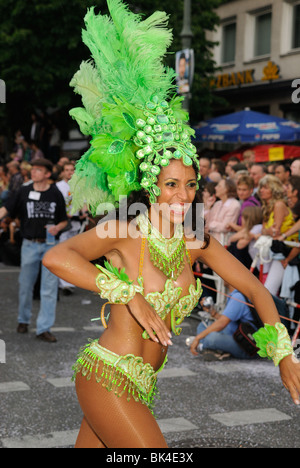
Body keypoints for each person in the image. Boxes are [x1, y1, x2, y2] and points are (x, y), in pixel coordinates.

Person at [42, 1, 300, 449]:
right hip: (108, 373)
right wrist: (126, 293)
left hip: (143, 385)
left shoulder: (196, 239)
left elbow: (257, 290)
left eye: (190, 185)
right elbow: (56, 255)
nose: (182, 197)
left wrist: (283, 353)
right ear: (150, 183)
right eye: (170, 185)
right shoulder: (126, 226)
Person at [0, 158, 68, 342]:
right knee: (25, 286)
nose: (33, 172)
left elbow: (64, 220)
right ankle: (23, 320)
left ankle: (44, 328)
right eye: (33, 169)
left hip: (50, 245)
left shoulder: (55, 194)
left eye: (38, 170)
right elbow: (6, 209)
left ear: (47, 174)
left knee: (49, 288)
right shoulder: (24, 191)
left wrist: (57, 228)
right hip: (29, 244)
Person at [189, 283, 259, 360]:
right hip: (236, 335)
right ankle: (214, 349)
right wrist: (213, 313)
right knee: (202, 326)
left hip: (247, 346)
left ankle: (203, 347)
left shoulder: (238, 297)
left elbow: (222, 323)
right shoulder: (237, 294)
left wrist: (197, 338)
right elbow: (227, 320)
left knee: (211, 338)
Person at [259, 174, 298, 296]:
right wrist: (268, 231)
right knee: (266, 288)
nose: (261, 190)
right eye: (261, 187)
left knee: (269, 289)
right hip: (275, 250)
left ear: (274, 189)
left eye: (265, 187)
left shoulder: (279, 205)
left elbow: (276, 232)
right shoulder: (267, 207)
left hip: (285, 251)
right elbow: (264, 230)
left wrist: (268, 231)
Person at [56, 161, 84, 294]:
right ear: (62, 172)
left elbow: (83, 202)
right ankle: (63, 283)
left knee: (72, 254)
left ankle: (69, 280)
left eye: (72, 170)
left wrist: (84, 212)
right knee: (62, 251)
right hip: (62, 225)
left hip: (76, 223)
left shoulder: (78, 185)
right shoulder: (58, 187)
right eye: (66, 170)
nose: (69, 172)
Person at [205, 178, 240, 243]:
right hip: (212, 240)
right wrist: (207, 207)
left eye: (219, 186)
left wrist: (211, 224)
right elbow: (207, 223)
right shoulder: (217, 204)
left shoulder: (234, 205)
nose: (215, 188)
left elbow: (224, 227)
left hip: (224, 242)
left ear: (226, 189)